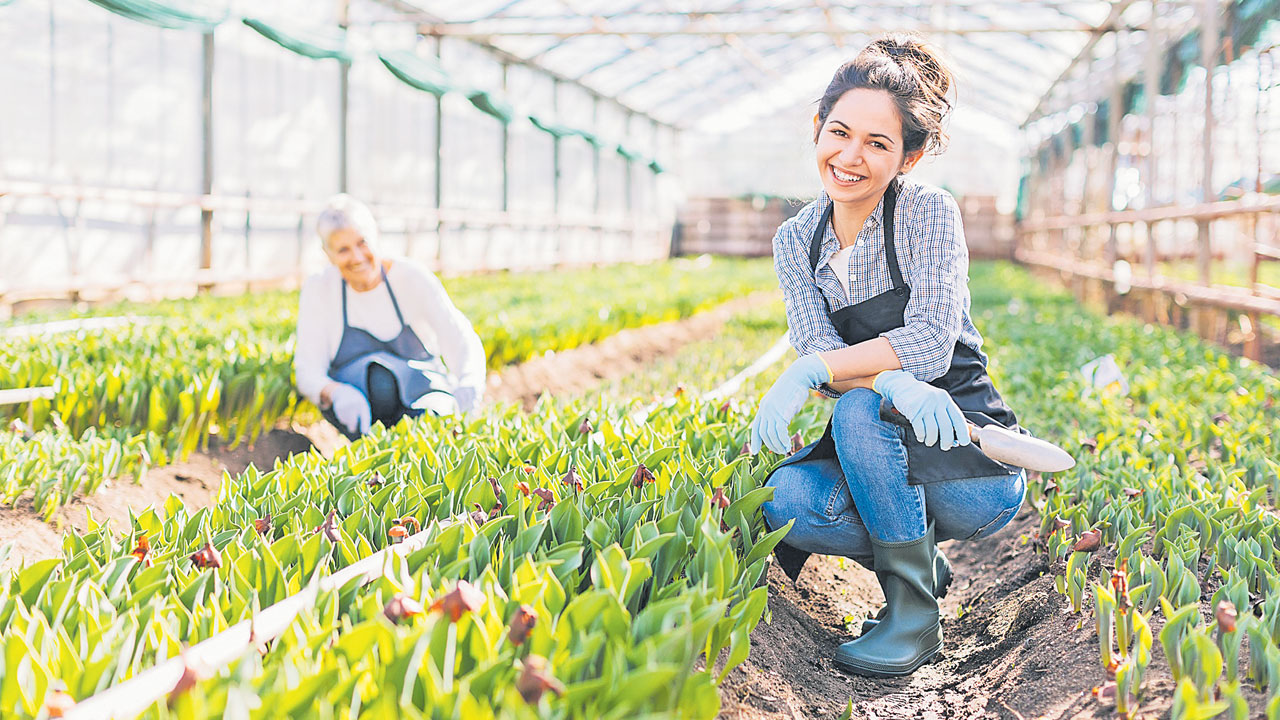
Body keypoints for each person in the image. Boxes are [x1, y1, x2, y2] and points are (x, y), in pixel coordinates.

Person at [748, 35, 1027, 678]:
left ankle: (911, 612)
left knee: (858, 413)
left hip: (963, 457)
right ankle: (917, 557)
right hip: (880, 457)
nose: (850, 157)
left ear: (910, 155)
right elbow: (820, 350)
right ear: (817, 127)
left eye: (877, 143)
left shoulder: (927, 213)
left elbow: (929, 342)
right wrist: (865, 378)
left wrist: (841, 374)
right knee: (785, 499)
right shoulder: (797, 240)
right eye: (839, 132)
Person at [295, 194, 487, 440]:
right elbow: (308, 370)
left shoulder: (411, 278)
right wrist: (336, 393)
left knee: (431, 426)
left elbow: (459, 337)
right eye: (343, 249)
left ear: (376, 236)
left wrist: (468, 383)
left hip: (424, 396)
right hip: (361, 412)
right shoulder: (320, 289)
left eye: (362, 242)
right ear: (328, 254)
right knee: (379, 382)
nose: (356, 257)